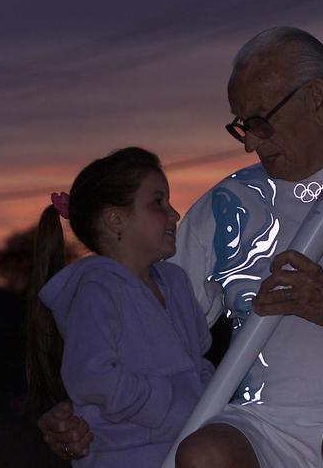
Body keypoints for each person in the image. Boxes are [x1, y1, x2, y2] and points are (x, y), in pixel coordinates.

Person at [37, 27, 323, 467]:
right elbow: (144, 332)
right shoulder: (227, 204)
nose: (250, 144)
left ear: (317, 100)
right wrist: (80, 417)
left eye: (259, 122)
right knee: (204, 453)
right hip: (268, 423)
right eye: (241, 127)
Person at [26, 147, 214, 467]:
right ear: (116, 220)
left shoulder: (176, 283)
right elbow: (91, 376)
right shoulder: (97, 290)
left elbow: (200, 360)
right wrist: (170, 407)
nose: (174, 213)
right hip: (124, 456)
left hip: (186, 446)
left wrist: (213, 404)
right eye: (157, 202)